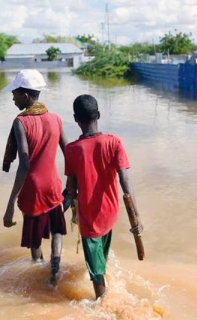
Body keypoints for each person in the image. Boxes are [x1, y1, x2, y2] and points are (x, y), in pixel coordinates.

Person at [64, 94, 143, 299]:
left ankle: (102, 303)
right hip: (110, 213)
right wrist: (137, 217)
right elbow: (126, 181)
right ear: (98, 115)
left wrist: (73, 211)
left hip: (89, 217)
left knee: (96, 273)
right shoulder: (114, 142)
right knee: (102, 257)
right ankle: (105, 289)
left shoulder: (72, 150)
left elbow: (72, 187)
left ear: (75, 119)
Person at [1, 69, 68, 284]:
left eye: (15, 94)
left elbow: (24, 164)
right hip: (53, 186)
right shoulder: (56, 119)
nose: (13, 98)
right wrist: (73, 186)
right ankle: (56, 263)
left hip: (33, 190)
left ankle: (40, 274)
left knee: (34, 239)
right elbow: (70, 152)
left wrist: (11, 203)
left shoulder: (20, 122)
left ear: (26, 96)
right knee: (57, 228)